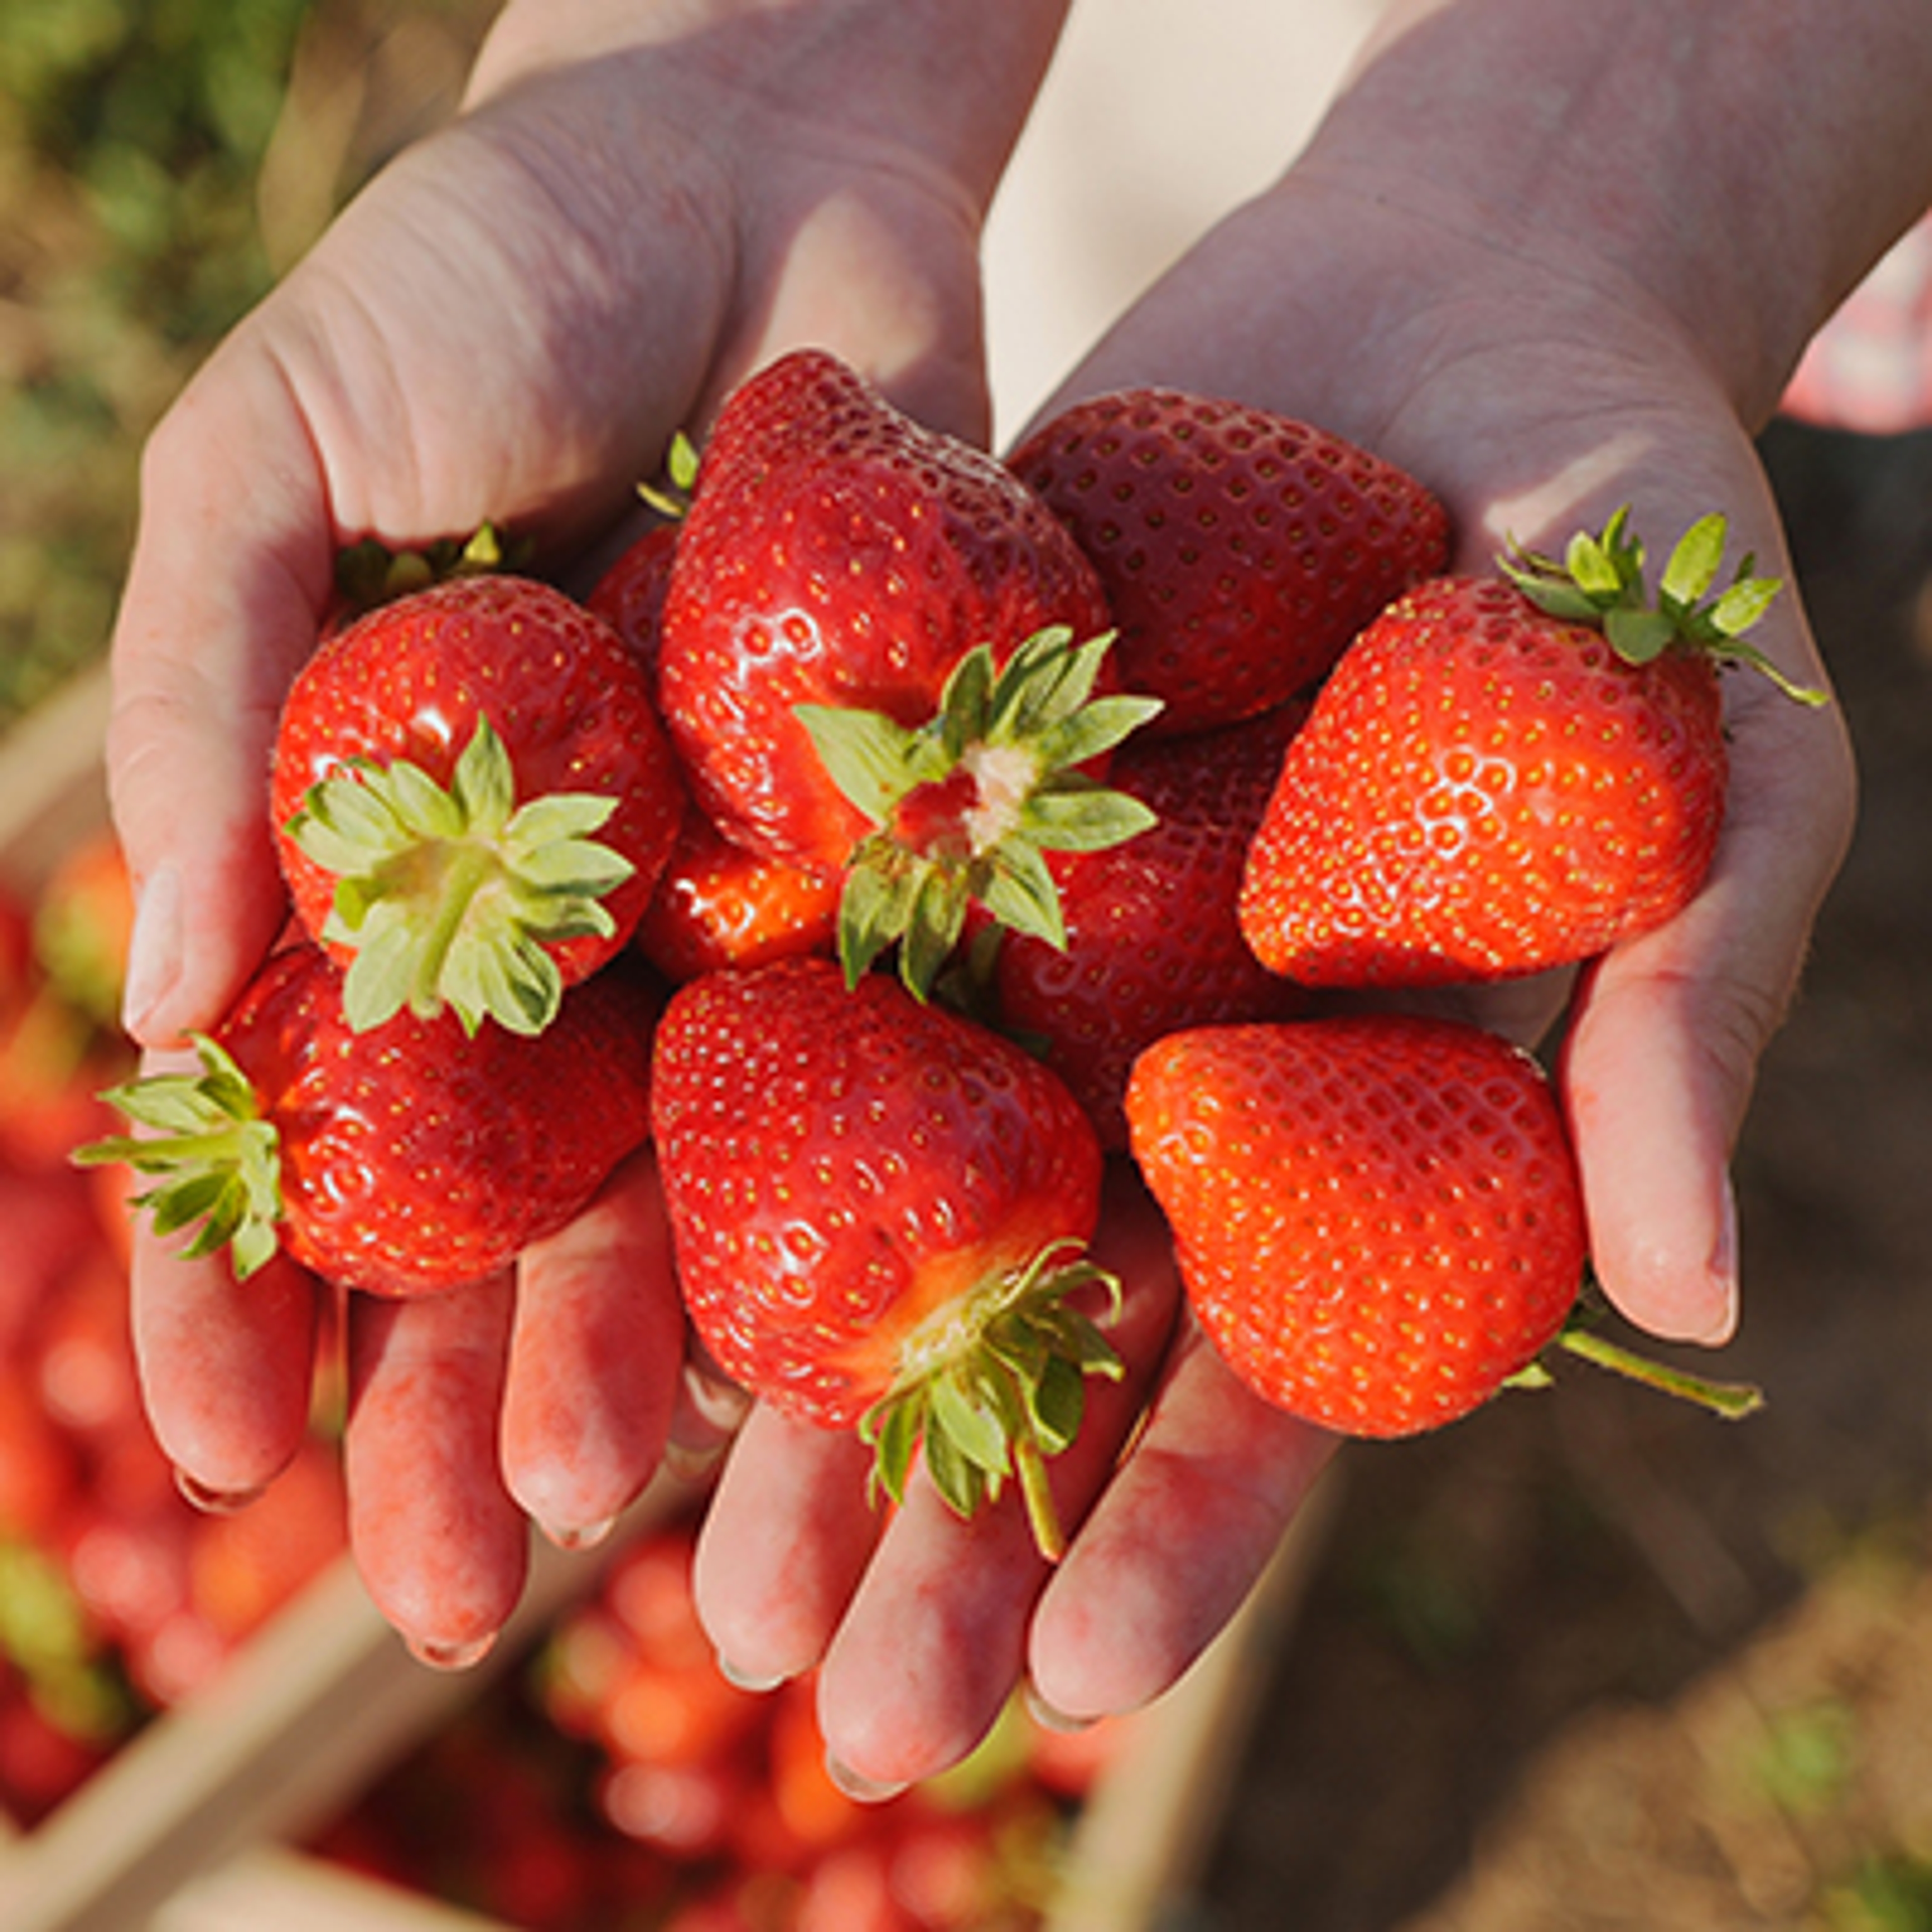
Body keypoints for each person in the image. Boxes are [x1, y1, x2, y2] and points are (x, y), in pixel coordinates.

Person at [106, 0, 1927, 1797]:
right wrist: (750, 56)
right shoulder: (913, 748)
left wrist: (1604, 171)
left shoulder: (943, 765)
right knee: (1064, 313)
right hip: (1013, 288)